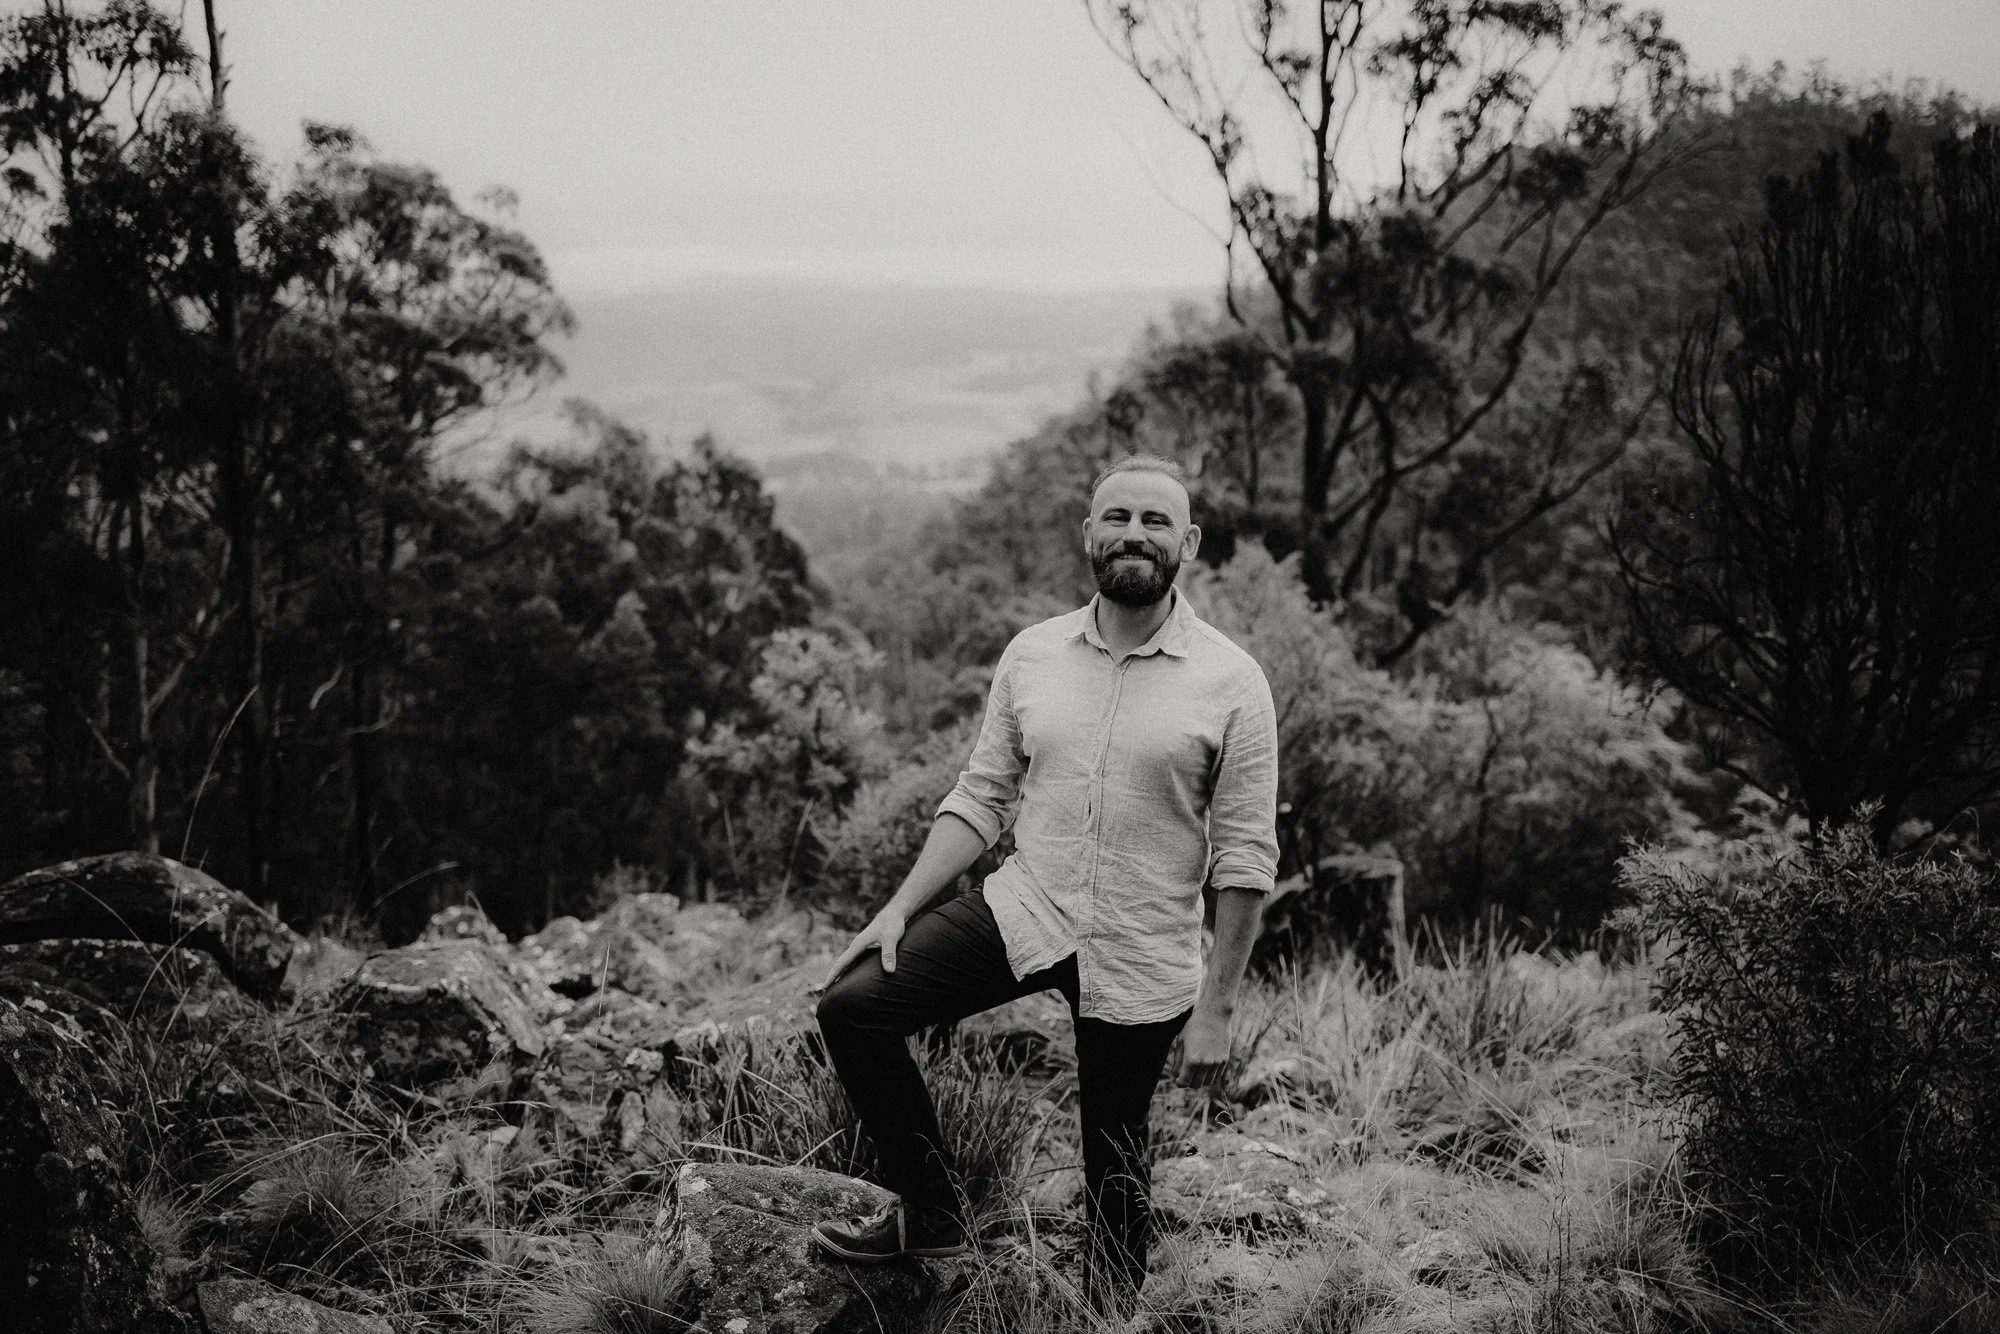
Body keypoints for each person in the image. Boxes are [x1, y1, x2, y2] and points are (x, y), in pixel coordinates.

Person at [809, 454, 1279, 1310]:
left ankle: (1108, 1310)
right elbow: (980, 797)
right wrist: (900, 907)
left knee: (1113, 1158)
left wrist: (1217, 1009)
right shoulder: (1033, 655)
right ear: (1089, 533)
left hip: (1142, 946)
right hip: (1025, 907)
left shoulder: (1232, 681)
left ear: (1191, 542)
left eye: (1155, 520)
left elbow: (1246, 855)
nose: (1134, 534)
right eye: (1117, 517)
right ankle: (933, 1211)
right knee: (853, 1008)